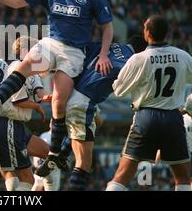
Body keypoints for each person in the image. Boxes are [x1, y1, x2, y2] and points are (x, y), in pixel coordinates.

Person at [0, 0, 113, 169]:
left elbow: (108, 27)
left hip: (74, 52)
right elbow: (18, 0)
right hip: (52, 42)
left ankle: (55, 153)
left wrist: (104, 54)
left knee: (59, 101)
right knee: (26, 64)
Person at [106, 15, 192, 191]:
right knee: (183, 178)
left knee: (122, 175)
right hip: (173, 118)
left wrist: (137, 84)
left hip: (145, 118)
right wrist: (190, 106)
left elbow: (118, 90)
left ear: (147, 33)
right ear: (166, 33)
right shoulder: (182, 56)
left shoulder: (139, 58)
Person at [35, 36, 148, 190]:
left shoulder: (107, 47)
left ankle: (60, 156)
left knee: (82, 131)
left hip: (72, 94)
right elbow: (122, 90)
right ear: (142, 51)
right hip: (83, 102)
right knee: (83, 164)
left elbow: (84, 53)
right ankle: (57, 157)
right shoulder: (132, 62)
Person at [0, 36, 51, 191]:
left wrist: (50, 98)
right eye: (36, 49)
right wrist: (37, 107)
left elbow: (40, 93)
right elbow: (18, 100)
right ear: (25, 51)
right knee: (25, 178)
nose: (39, 53)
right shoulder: (16, 67)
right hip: (8, 123)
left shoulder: (33, 71)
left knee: (51, 155)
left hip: (17, 125)